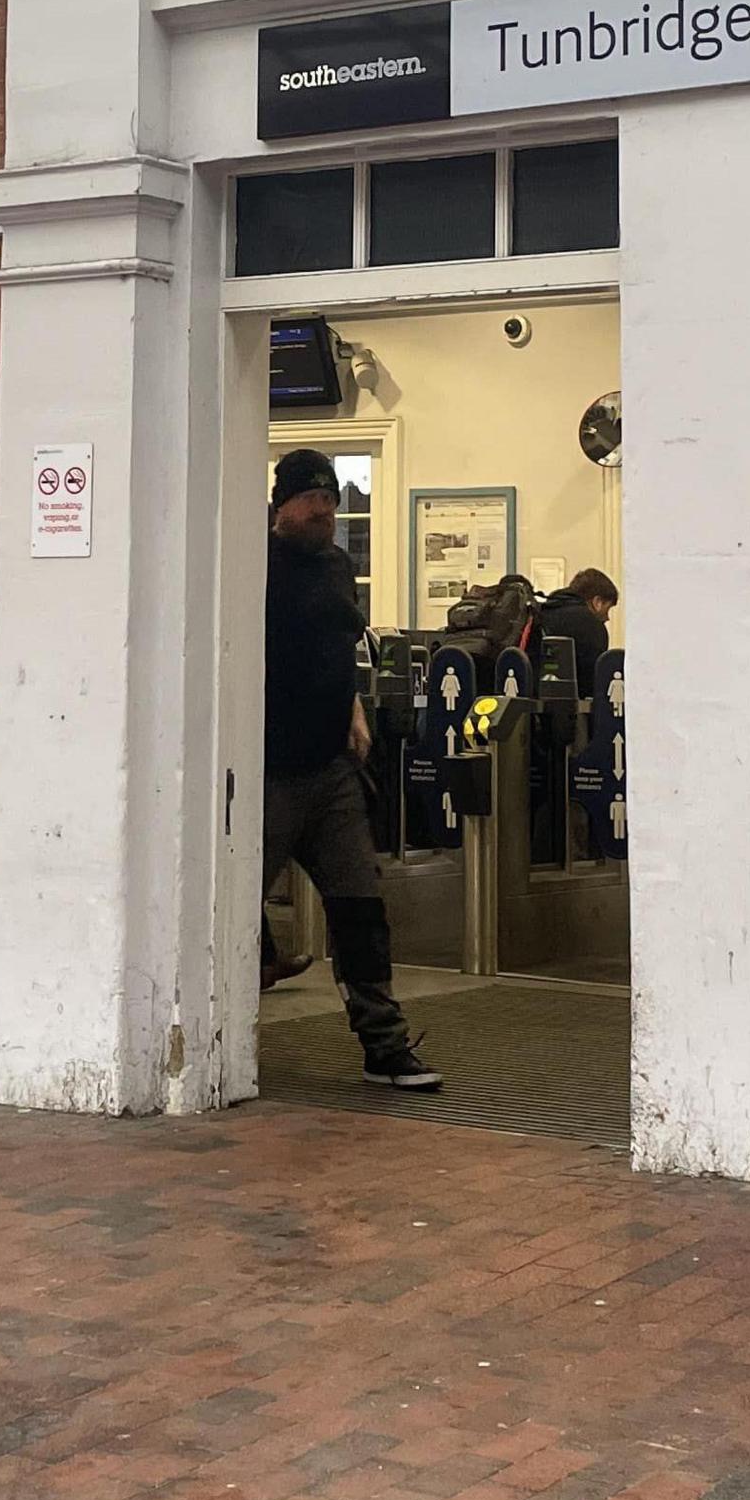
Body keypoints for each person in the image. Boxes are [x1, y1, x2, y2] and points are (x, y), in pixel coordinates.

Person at [264, 449, 441, 1091]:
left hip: (330, 767)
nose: (323, 512)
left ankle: (385, 1047)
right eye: (310, 500)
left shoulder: (337, 566)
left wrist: (354, 706)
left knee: (361, 907)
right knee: (231, 900)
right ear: (282, 503)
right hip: (266, 770)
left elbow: (337, 646)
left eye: (331, 501)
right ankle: (220, 1029)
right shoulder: (250, 560)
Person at [538, 569, 620, 679]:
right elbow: (593, 680)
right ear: (597, 602)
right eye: (607, 609)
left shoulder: (543, 612)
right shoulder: (593, 627)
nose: (607, 618)